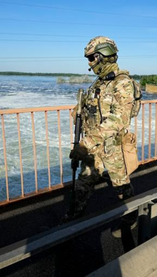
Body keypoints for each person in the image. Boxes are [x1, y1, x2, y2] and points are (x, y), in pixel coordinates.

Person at [64, 36, 140, 237]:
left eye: (91, 58)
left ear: (103, 56)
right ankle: (75, 216)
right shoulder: (98, 84)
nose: (89, 63)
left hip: (112, 146)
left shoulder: (122, 83)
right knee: (84, 181)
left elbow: (119, 120)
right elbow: (90, 110)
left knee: (120, 184)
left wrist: (85, 144)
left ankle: (130, 215)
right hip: (94, 145)